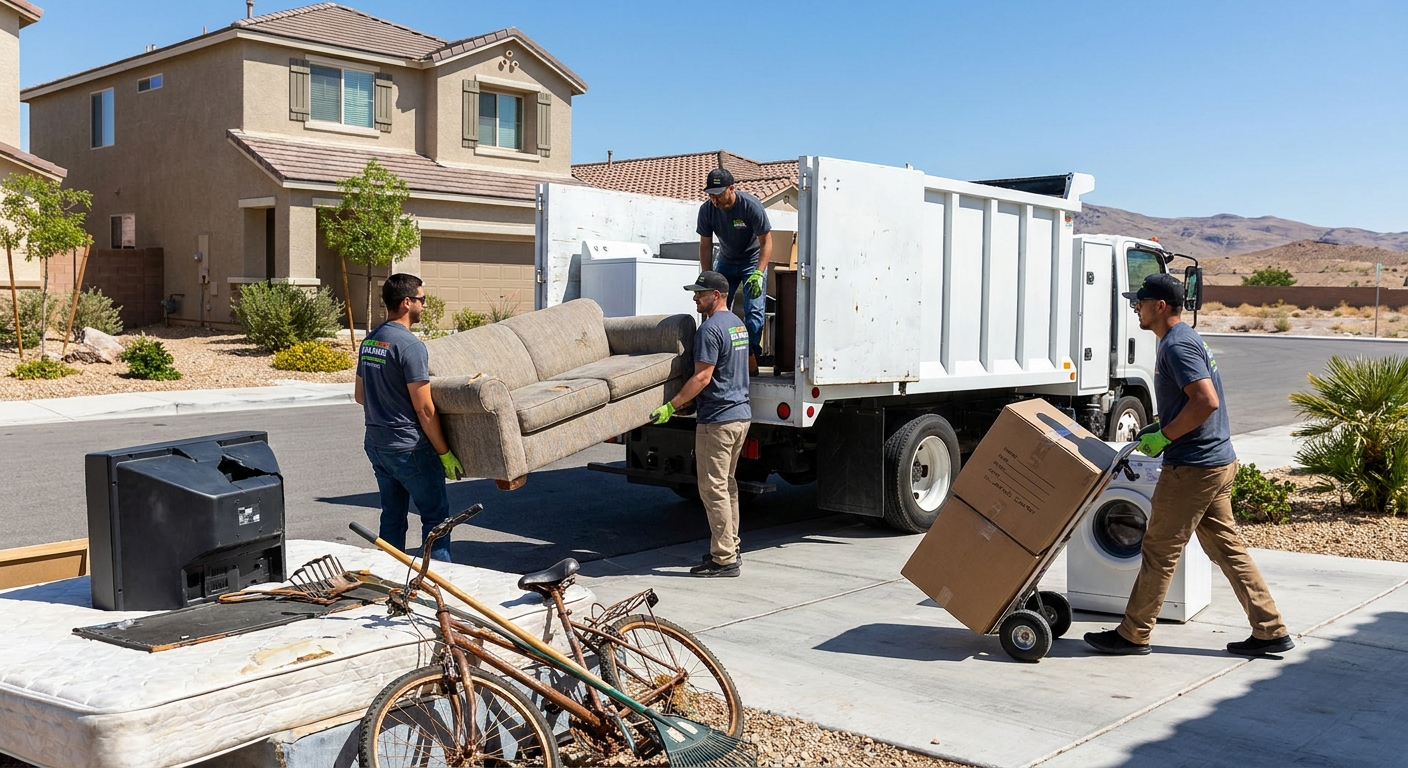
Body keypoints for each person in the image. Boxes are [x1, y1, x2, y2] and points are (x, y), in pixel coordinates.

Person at [1085, 273, 1294, 657]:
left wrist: (1166, 437)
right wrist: (1162, 425)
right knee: (1227, 549)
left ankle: (1133, 634)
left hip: (1193, 467)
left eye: (1140, 301)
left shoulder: (1176, 346)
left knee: (1159, 551)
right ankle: (1270, 629)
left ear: (1160, 306)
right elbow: (1191, 403)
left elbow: (1205, 400)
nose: (1136, 307)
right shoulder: (1186, 339)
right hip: (1216, 461)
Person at [354, 273, 464, 562]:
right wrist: (444, 453)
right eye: (422, 300)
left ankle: (388, 579)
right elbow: (425, 409)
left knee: (392, 516)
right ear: (406, 302)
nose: (424, 306)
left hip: (378, 445)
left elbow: (360, 395)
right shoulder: (410, 346)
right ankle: (438, 586)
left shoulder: (371, 341)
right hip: (410, 448)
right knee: (436, 519)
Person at [650, 271, 752, 577]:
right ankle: (730, 547)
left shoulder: (709, 330)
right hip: (740, 416)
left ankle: (724, 559)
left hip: (718, 420)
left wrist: (673, 404)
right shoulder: (738, 326)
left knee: (713, 488)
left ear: (717, 295)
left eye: (700, 293)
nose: (695, 297)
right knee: (727, 485)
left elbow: (703, 376)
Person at [697, 167, 772, 377]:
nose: (715, 200)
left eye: (719, 194)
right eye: (711, 195)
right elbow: (705, 245)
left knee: (753, 312)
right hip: (726, 261)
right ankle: (716, 355)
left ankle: (750, 359)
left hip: (752, 261)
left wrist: (759, 272)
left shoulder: (750, 206)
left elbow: (766, 242)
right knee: (714, 307)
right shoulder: (707, 211)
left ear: (732, 189)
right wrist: (707, 278)